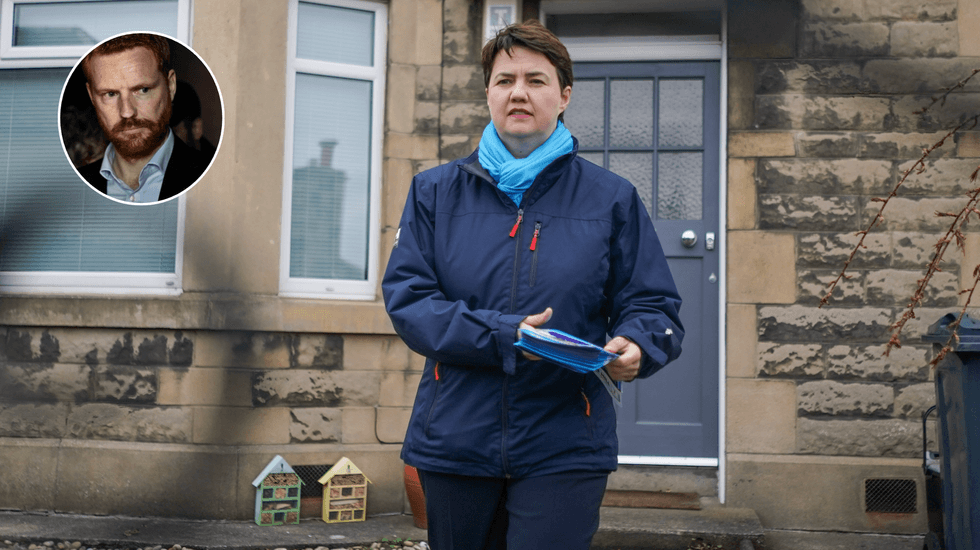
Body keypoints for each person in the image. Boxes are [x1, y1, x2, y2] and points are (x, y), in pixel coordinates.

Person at [382, 20, 684, 550]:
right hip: (455, 436)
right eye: (504, 80)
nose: (518, 92)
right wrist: (505, 333)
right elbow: (411, 302)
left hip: (566, 438)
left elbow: (653, 303)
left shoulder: (611, 198)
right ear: (488, 93)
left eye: (536, 80)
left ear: (564, 96)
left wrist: (639, 344)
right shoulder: (433, 193)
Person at [77, 33, 208, 203]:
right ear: (92, 96)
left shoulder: (211, 179)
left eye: (143, 90)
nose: (127, 112)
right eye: (110, 94)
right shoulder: (74, 189)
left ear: (170, 86)